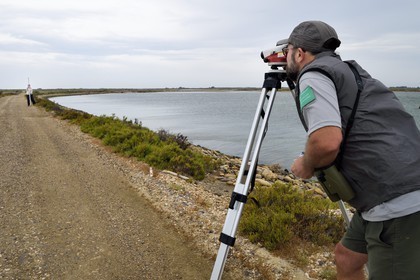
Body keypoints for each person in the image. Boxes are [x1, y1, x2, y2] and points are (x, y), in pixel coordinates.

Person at [284, 21, 420, 279]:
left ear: (299, 53)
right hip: (394, 185)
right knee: (346, 258)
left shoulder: (313, 74)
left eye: (288, 51)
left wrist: (307, 164)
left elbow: (325, 142)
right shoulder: (349, 71)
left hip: (398, 200)